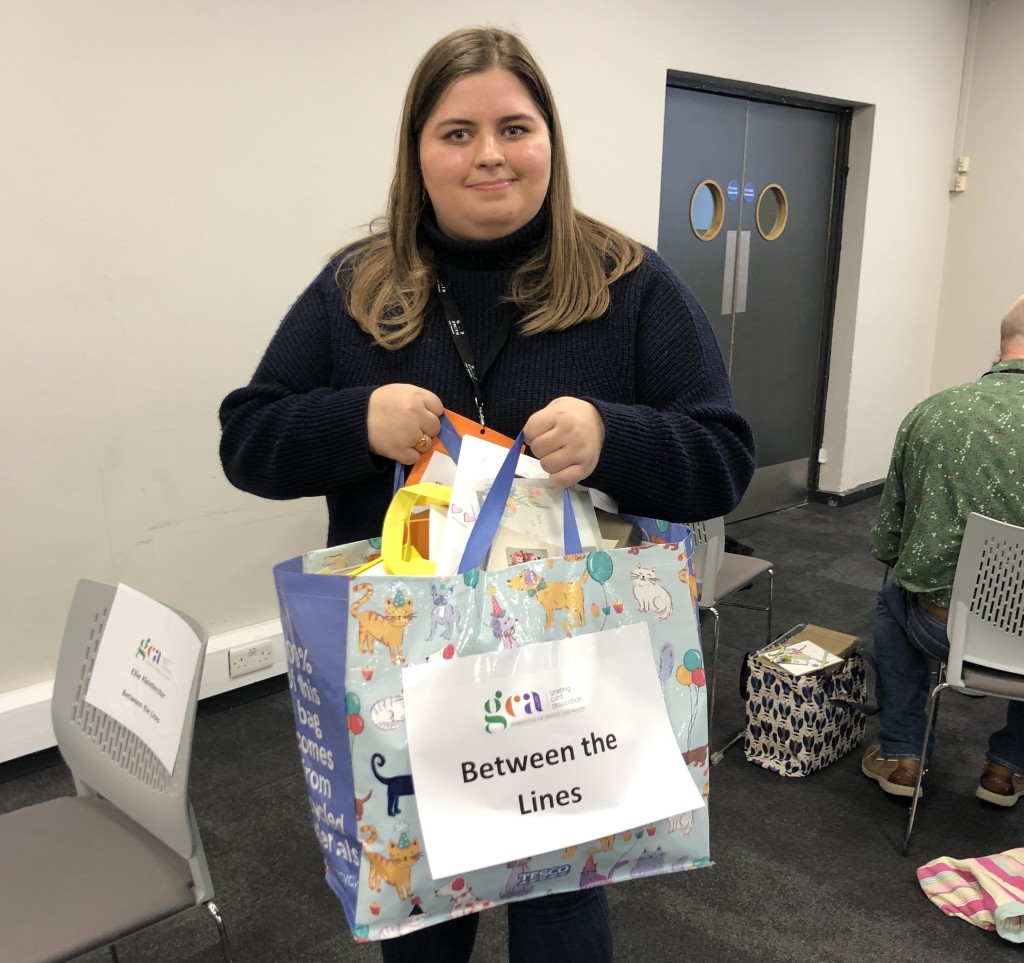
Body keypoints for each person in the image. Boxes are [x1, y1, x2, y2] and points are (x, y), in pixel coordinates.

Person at [219, 26, 754, 963]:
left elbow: (724, 457)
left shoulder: (629, 285)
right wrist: (357, 419)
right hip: (408, 683)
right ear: (417, 153)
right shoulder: (358, 287)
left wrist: (613, 437)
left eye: (515, 126)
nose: (491, 155)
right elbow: (247, 438)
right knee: (424, 921)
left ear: (550, 138)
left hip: (575, 680)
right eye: (456, 132)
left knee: (561, 914)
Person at [862, 294, 1024, 807]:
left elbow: (888, 541)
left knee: (892, 595)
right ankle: (1006, 769)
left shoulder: (932, 412)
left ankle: (904, 756)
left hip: (942, 628)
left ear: (1003, 345)